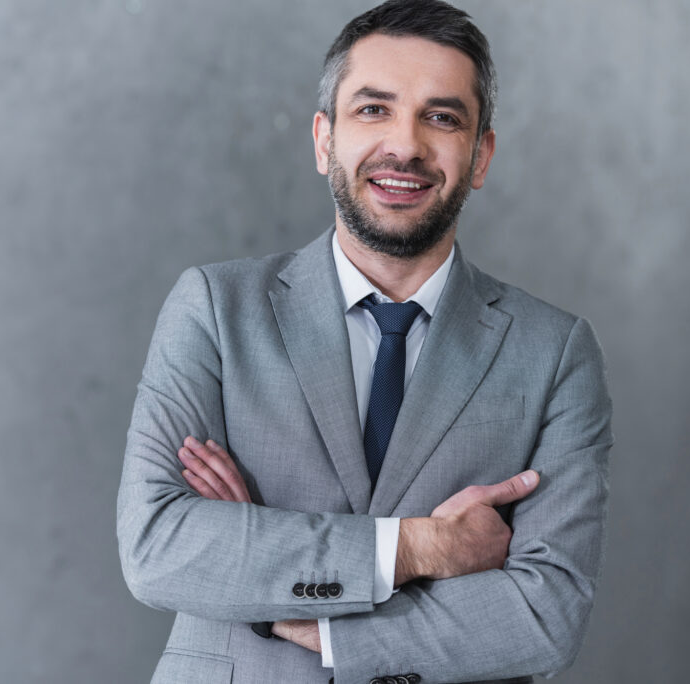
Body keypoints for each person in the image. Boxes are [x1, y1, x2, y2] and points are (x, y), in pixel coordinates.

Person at [117, 1, 613, 682]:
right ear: (324, 140)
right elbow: (159, 548)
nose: (405, 145)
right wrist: (421, 546)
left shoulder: (555, 353)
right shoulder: (214, 309)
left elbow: (544, 616)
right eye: (373, 110)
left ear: (480, 157)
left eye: (442, 117)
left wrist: (283, 603)